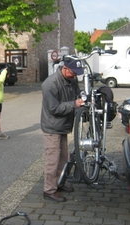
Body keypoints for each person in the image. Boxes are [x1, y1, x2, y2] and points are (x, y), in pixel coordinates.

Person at [40, 55, 85, 202]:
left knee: (63, 158)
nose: (75, 75)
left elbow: (78, 93)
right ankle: (49, 190)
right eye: (73, 72)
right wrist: (74, 104)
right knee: (53, 160)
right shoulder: (50, 84)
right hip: (52, 127)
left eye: (77, 73)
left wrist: (83, 98)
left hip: (64, 125)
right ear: (65, 68)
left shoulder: (72, 79)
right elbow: (53, 108)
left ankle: (58, 183)